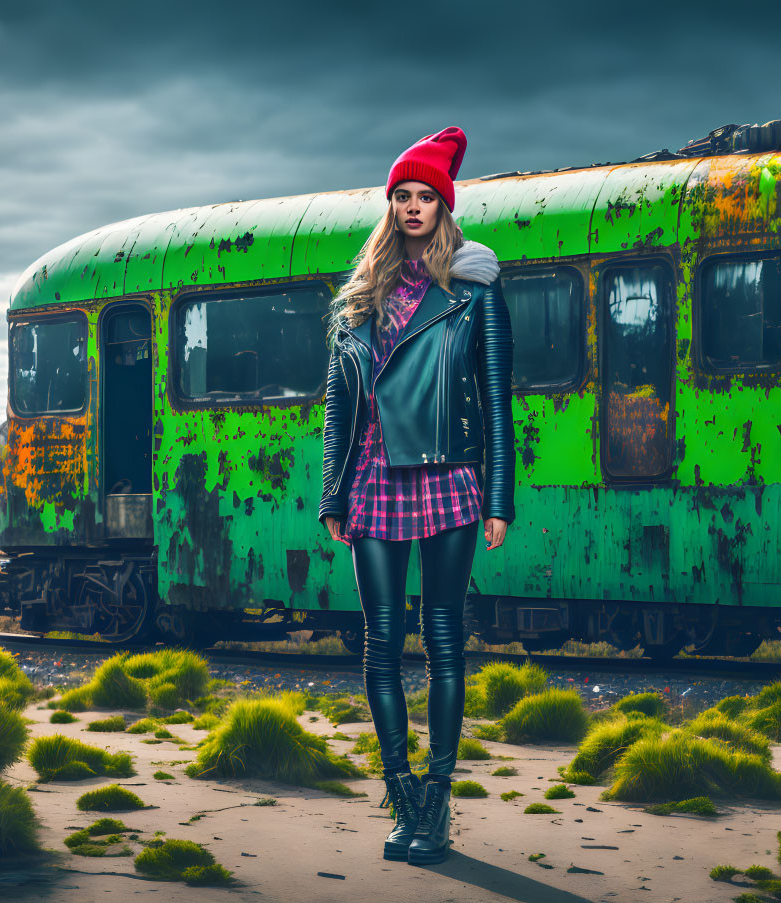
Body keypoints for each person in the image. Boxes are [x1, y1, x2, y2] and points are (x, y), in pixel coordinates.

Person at [318, 125, 515, 865]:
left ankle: (436, 806)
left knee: (441, 641)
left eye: (423, 196)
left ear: (443, 205)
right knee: (378, 646)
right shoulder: (361, 292)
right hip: (371, 481)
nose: (410, 207)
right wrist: (330, 492)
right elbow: (338, 404)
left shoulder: (473, 289)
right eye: (400, 195)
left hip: (447, 480)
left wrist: (499, 498)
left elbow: (496, 400)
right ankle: (402, 799)